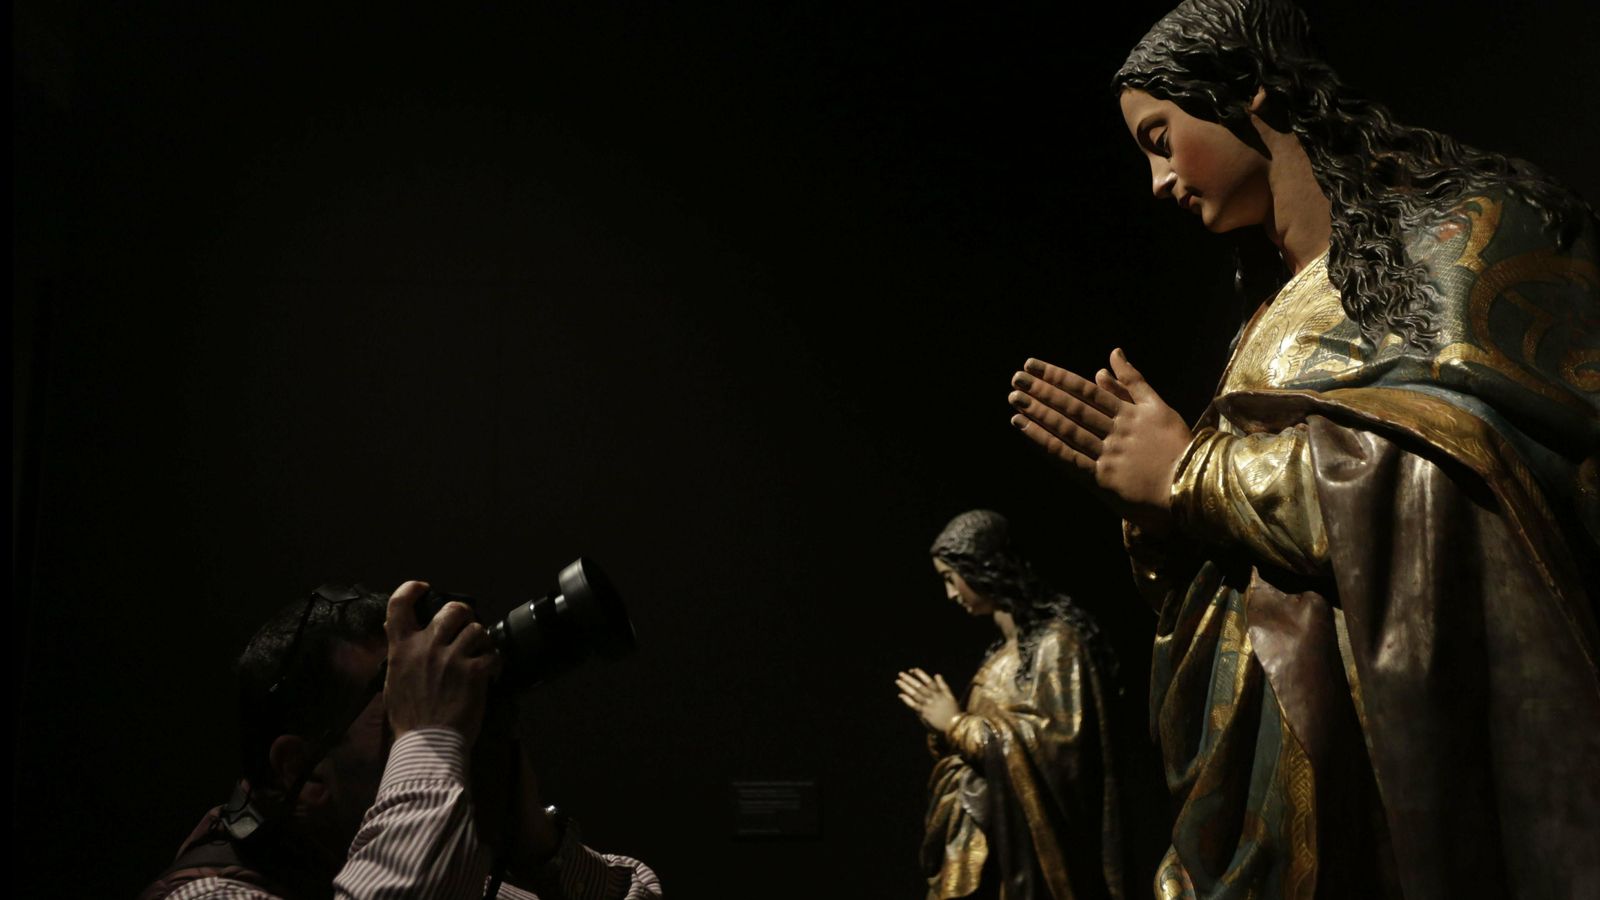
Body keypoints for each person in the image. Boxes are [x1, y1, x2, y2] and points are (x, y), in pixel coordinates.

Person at [1005, 0, 1600, 897]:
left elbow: (1471, 478)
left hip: (1409, 773)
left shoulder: (1473, 232)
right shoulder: (1268, 316)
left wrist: (1194, 475)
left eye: (1162, 139)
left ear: (1249, 92)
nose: (1158, 182)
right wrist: (1162, 517)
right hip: (1275, 785)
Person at [139, 580, 661, 900]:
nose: (452, 733)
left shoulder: (432, 867)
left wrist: (542, 850)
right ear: (304, 770)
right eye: (403, 716)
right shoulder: (202, 895)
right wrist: (432, 739)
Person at [896, 509, 1125, 900]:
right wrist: (943, 729)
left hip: (1034, 866)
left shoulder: (1058, 645)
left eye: (951, 578)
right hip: (991, 855)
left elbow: (1058, 754)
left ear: (982, 567)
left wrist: (955, 724)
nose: (950, 594)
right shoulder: (1000, 655)